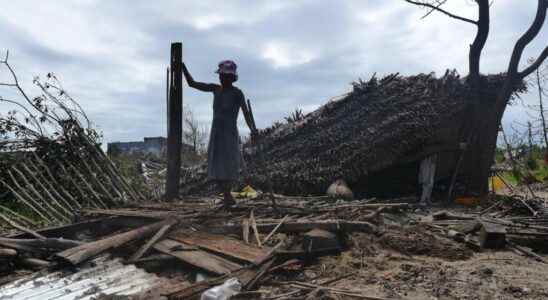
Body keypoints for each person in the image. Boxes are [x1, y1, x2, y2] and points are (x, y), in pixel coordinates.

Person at [182, 60, 257, 207]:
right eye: (221, 75)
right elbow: (193, 83)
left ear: (232, 78)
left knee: (230, 164)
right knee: (216, 164)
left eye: (226, 76)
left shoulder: (237, 93)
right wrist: (183, 68)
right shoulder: (215, 89)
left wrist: (253, 129)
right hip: (216, 132)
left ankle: (228, 195)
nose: (222, 78)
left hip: (229, 133)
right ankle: (227, 195)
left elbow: (246, 113)